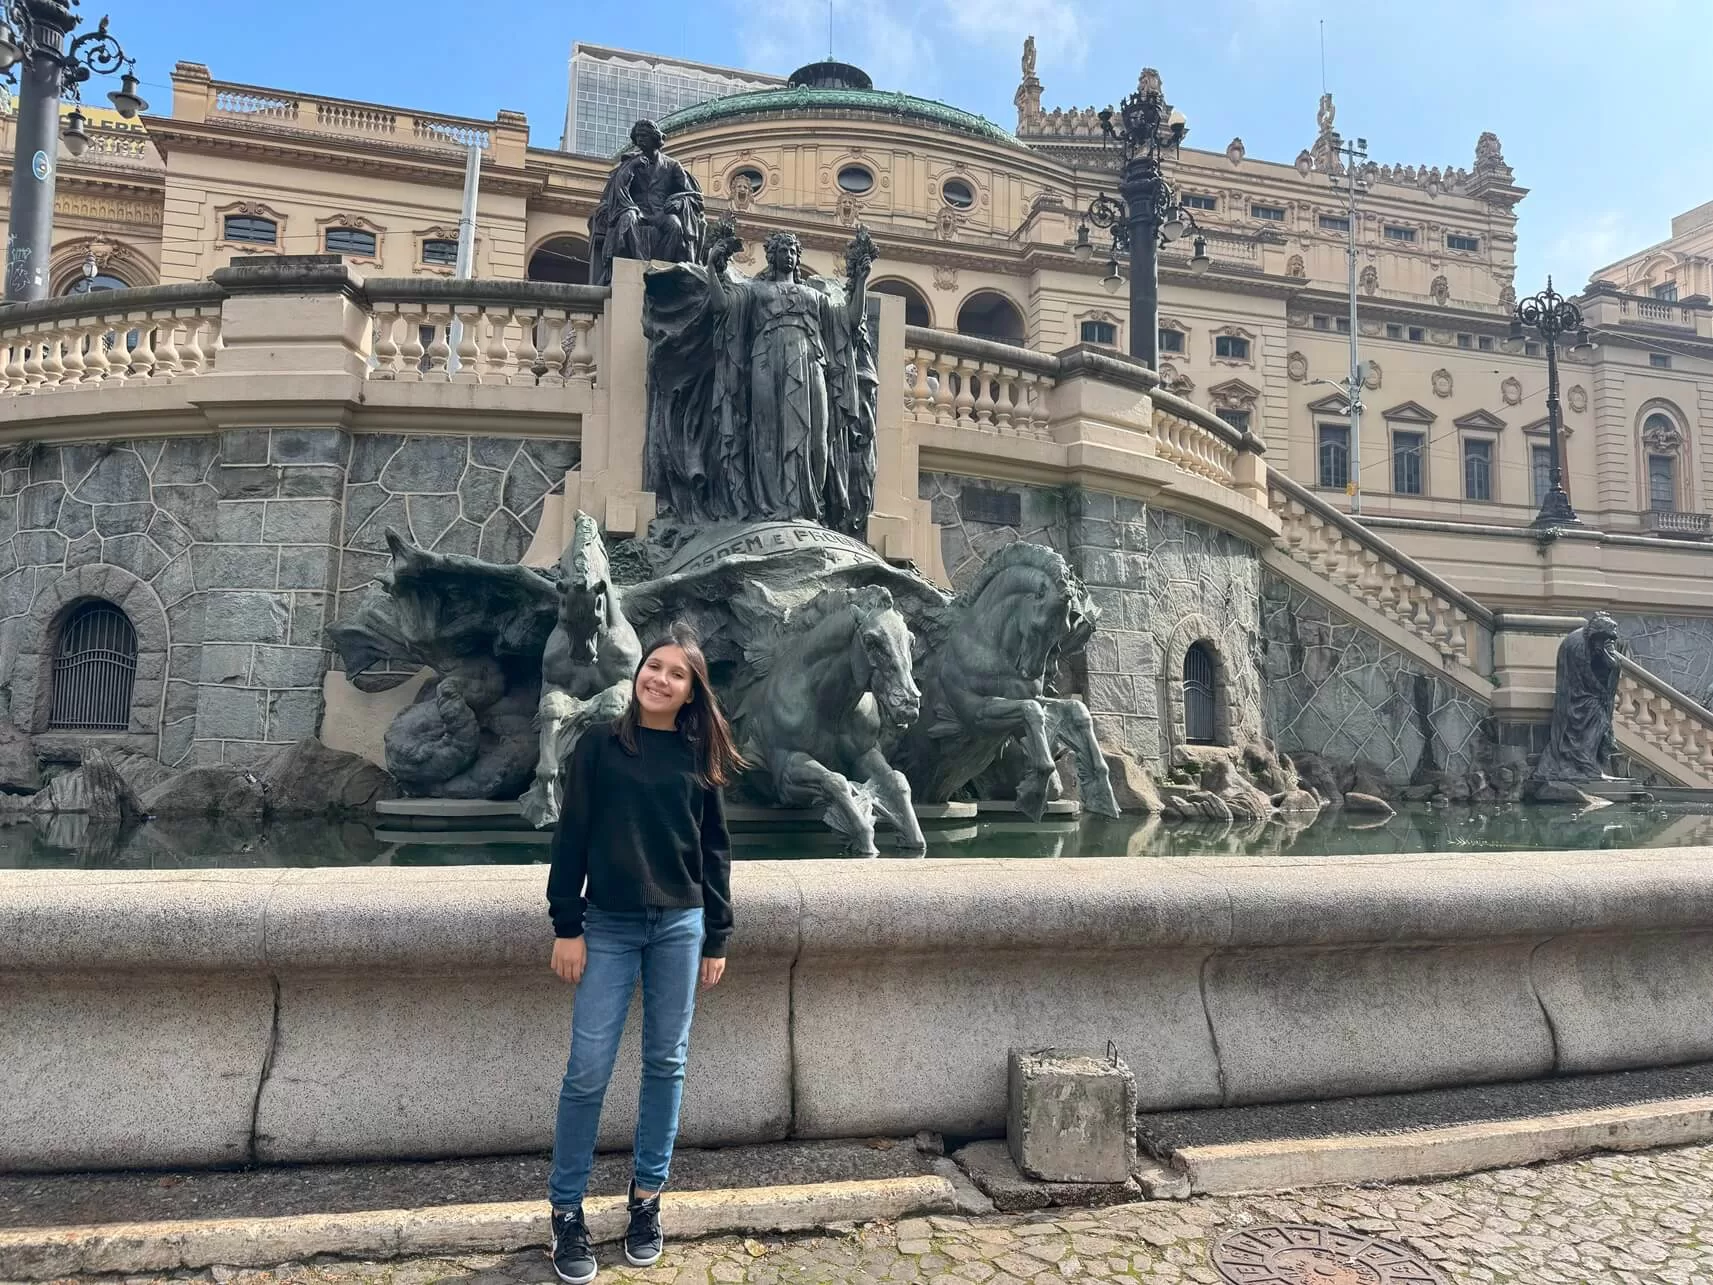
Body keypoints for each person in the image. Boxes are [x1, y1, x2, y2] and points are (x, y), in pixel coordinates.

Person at [545, 622, 743, 1283]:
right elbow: (569, 837)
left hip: (680, 925)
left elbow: (714, 849)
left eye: (674, 673)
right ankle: (566, 1210)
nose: (658, 677)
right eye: (652, 666)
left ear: (691, 692)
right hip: (607, 924)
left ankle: (646, 1199)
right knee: (588, 1068)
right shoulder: (599, 743)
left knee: (666, 1061)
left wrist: (717, 931)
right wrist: (565, 923)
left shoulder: (698, 755)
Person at [587, 119, 706, 287]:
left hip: (660, 212)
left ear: (655, 138)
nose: (640, 140)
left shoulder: (672, 166)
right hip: (637, 211)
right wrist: (631, 167)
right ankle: (640, 265)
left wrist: (680, 202)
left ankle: (663, 268)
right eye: (638, 137)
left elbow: (693, 196)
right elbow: (617, 189)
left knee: (675, 224)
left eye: (644, 136)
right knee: (628, 218)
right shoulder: (630, 162)